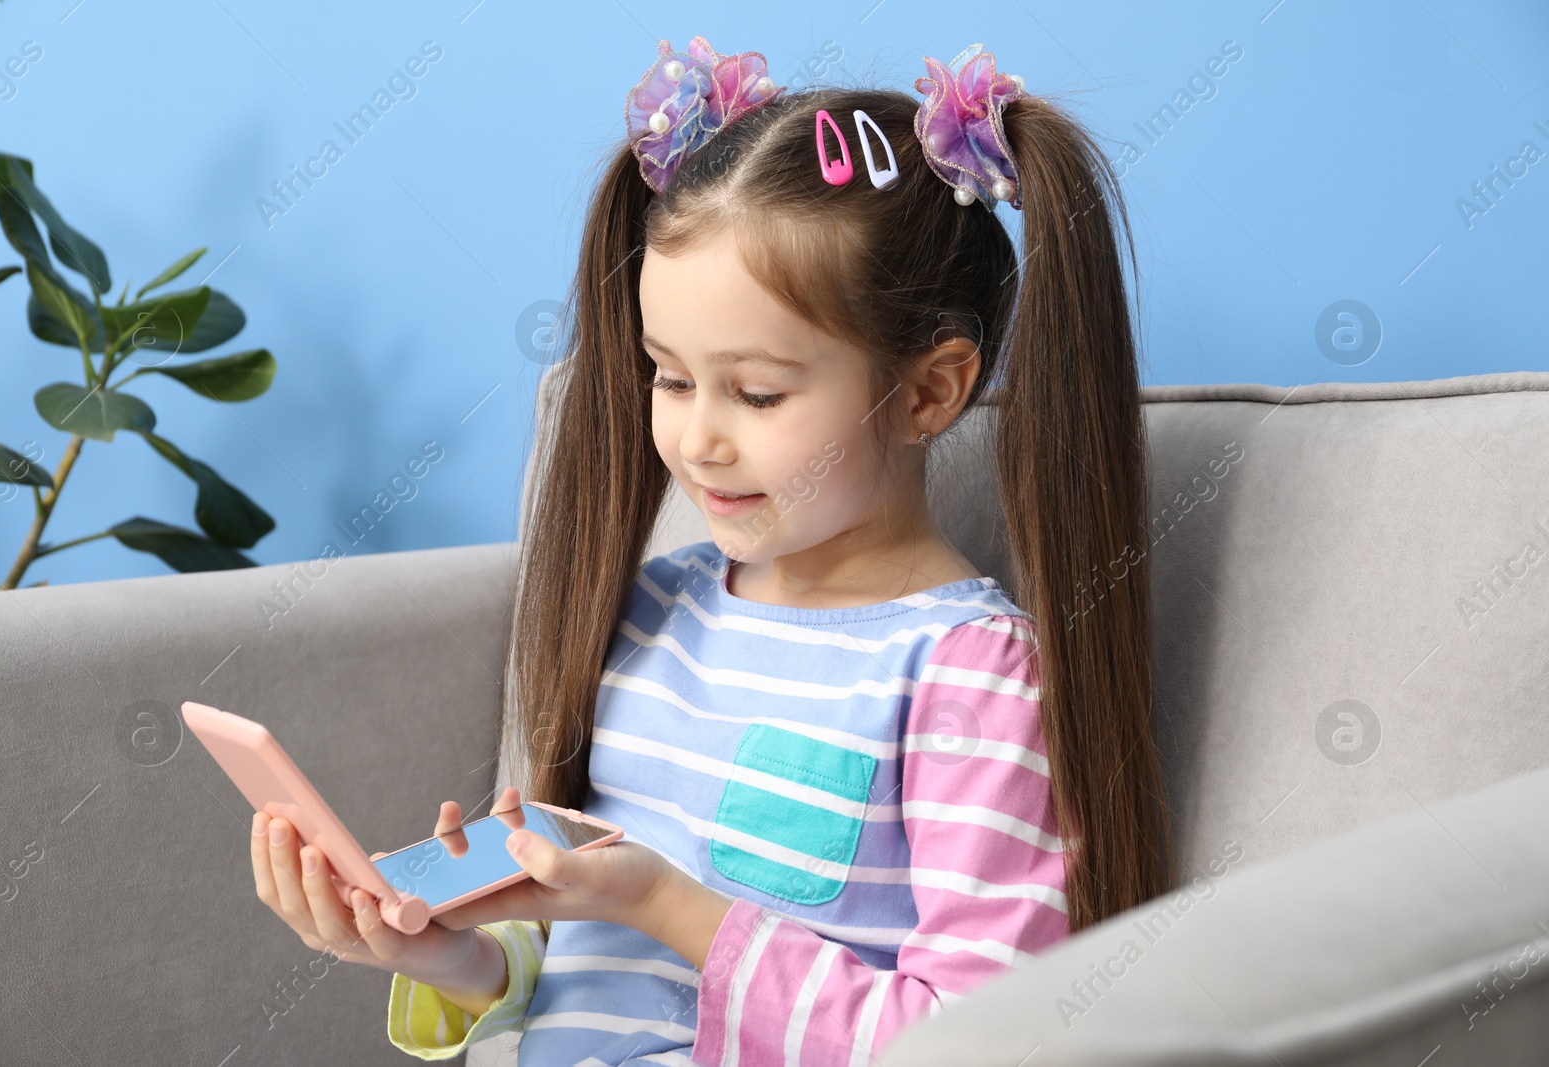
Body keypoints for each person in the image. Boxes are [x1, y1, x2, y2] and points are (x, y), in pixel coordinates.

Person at [249, 35, 1173, 1065]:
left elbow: (979, 1041)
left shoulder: (969, 676)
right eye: (671, 378)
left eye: (758, 392)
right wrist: (446, 950)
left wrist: (665, 899)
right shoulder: (655, 611)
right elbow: (596, 973)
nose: (698, 439)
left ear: (928, 390)